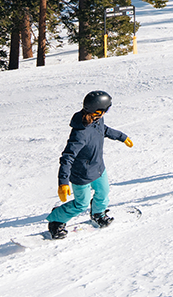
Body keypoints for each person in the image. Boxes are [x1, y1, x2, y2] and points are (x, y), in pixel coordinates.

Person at [47, 90, 133, 239]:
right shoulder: (79, 133)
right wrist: (63, 182)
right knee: (81, 204)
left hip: (98, 168)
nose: (108, 112)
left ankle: (98, 213)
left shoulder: (97, 120)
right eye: (108, 109)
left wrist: (121, 137)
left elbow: (103, 130)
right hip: (81, 175)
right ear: (98, 111)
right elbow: (67, 157)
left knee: (103, 193)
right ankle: (56, 220)